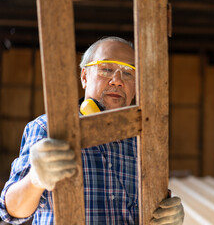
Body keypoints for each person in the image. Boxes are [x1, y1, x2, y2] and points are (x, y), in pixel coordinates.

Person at [0, 37, 184, 224]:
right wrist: (35, 181)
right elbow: (11, 211)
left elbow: (154, 207)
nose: (117, 81)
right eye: (106, 69)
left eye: (128, 73)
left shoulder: (144, 140)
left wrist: (169, 215)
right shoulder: (47, 128)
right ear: (84, 77)